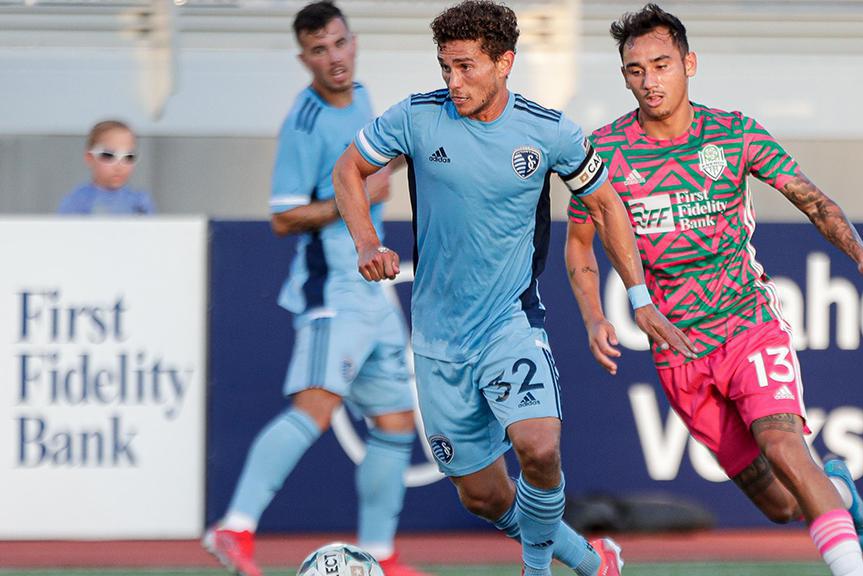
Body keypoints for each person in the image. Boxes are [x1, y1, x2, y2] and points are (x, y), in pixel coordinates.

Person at [333, 2, 693, 575]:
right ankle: (592, 561)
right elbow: (348, 168)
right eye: (445, 67)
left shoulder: (548, 131)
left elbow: (606, 205)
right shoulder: (417, 117)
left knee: (540, 447)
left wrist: (639, 297)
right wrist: (366, 243)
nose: (453, 82)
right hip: (437, 337)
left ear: (504, 63)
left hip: (510, 323)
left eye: (466, 67)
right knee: (484, 496)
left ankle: (536, 569)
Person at [563, 5, 863, 576]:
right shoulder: (605, 152)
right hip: (679, 350)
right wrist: (595, 317)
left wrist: (862, 256)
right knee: (781, 504)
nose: (650, 81)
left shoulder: (733, 132)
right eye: (637, 70)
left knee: (785, 446)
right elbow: (578, 244)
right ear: (624, 76)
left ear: (689, 64)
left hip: (747, 324)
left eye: (662, 65)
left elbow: (812, 199)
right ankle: (839, 490)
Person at [202, 4, 427, 576]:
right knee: (316, 407)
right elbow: (282, 216)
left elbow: (377, 173)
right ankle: (235, 526)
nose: (334, 58)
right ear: (304, 58)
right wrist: (353, 197)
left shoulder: (365, 97)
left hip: (373, 288)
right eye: (320, 50)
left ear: (354, 41)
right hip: (333, 292)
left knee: (396, 421)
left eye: (339, 43)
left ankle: (380, 554)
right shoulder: (303, 124)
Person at [58, 120, 154, 215]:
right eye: (108, 155)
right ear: (90, 158)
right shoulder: (77, 202)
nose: (119, 166)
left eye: (129, 156)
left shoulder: (139, 202)